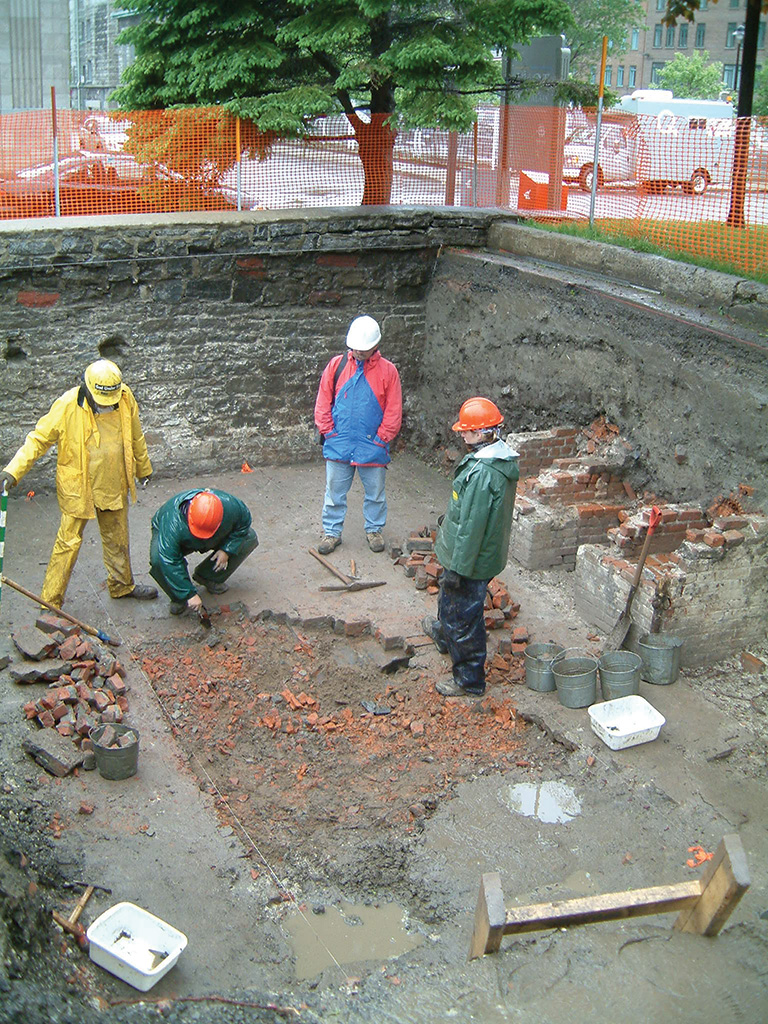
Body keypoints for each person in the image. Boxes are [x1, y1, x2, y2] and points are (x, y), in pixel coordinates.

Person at [0, 359, 157, 607]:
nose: (108, 405)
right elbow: (38, 440)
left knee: (117, 536)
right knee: (68, 543)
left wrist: (143, 468)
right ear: (87, 389)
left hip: (112, 480)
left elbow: (136, 435)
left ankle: (121, 586)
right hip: (78, 486)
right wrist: (13, 471)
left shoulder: (125, 398)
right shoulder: (66, 405)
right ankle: (50, 603)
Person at [424, 397, 519, 698]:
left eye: (467, 431)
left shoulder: (482, 473)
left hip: (470, 560)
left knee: (463, 617)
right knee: (450, 600)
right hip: (470, 554)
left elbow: (472, 528)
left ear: (483, 434)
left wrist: (459, 569)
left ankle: (469, 679)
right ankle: (443, 635)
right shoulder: (492, 460)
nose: (462, 435)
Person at [314, 315, 402, 555]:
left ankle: (374, 529)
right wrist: (329, 432)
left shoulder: (388, 372)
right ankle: (332, 532)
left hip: (372, 446)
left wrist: (381, 439)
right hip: (338, 443)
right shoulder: (336, 365)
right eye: (356, 348)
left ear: (375, 346)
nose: (359, 352)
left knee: (375, 493)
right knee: (334, 492)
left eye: (364, 349)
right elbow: (323, 402)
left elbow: (393, 410)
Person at [149, 488, 258, 615]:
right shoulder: (172, 524)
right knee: (158, 560)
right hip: (180, 535)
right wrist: (188, 594)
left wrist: (227, 549)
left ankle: (208, 576)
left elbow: (243, 524)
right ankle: (179, 597)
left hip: (215, 532)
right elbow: (169, 560)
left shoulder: (232, 506)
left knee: (249, 538)